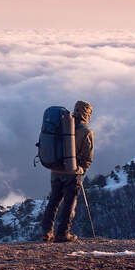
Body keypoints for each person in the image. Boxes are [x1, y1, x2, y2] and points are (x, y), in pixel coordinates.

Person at [42, 100, 94, 243]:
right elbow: (88, 156)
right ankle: (63, 233)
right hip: (72, 172)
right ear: (87, 113)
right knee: (70, 203)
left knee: (54, 200)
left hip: (55, 169)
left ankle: (47, 232)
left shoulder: (62, 124)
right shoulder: (86, 131)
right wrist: (82, 169)